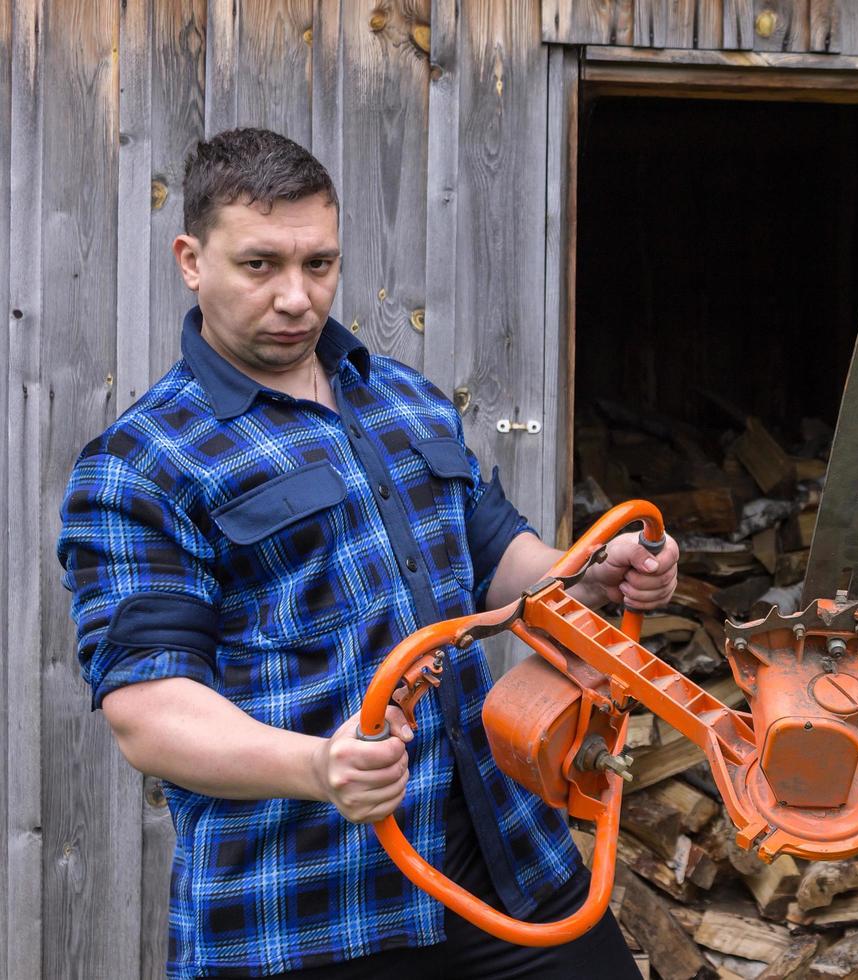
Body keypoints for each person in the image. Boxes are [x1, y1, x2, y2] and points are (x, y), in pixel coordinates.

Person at [56, 128, 677, 978]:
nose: (296, 297)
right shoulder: (142, 463)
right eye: (260, 265)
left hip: (505, 858)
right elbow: (149, 712)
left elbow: (500, 561)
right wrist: (316, 765)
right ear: (191, 259)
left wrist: (596, 572)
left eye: (318, 265)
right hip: (308, 904)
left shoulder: (403, 399)